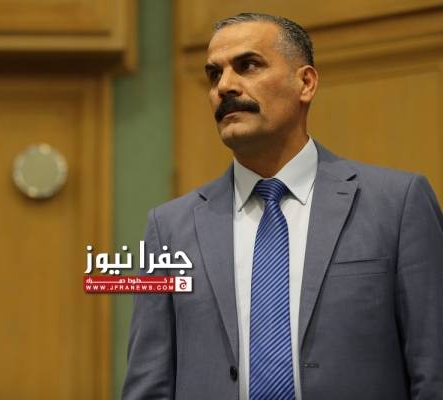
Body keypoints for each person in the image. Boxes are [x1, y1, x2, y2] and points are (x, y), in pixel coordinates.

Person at [121, 12, 443, 400]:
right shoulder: (169, 229)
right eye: (214, 74)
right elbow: (149, 384)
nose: (224, 86)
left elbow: (434, 371)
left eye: (248, 65)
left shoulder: (398, 204)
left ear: (305, 83)